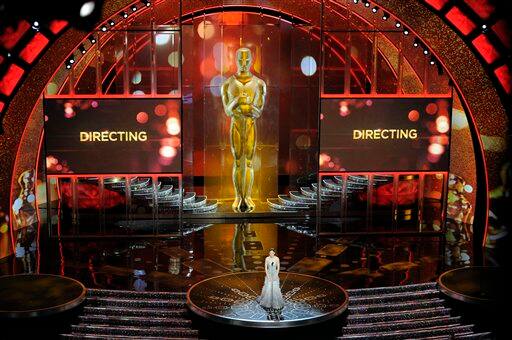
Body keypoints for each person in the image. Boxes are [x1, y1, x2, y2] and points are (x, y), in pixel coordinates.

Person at [257, 248, 285, 319]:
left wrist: (276, 275)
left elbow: (278, 267)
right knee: (268, 287)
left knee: (275, 288)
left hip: (275, 274)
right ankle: (267, 301)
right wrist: (268, 275)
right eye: (270, 253)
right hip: (269, 274)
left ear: (274, 253)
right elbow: (266, 267)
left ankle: (275, 302)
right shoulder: (267, 258)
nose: (271, 254)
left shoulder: (277, 259)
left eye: (272, 253)